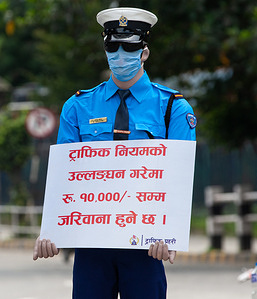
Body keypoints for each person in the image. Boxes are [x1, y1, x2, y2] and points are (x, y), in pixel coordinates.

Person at [33, 7, 197, 299]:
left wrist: (169, 233)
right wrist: (52, 231)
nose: (120, 54)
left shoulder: (173, 108)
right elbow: (64, 178)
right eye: (112, 46)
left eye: (130, 46)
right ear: (105, 50)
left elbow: (179, 180)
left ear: (144, 52)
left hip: (146, 246)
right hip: (91, 245)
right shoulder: (77, 106)